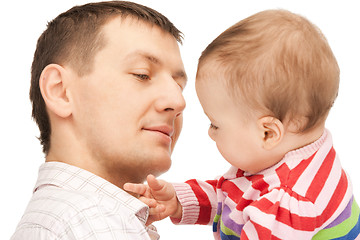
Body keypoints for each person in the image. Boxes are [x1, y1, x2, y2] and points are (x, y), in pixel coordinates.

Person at [124, 9, 360, 239]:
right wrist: (178, 201)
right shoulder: (294, 154)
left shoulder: (284, 209)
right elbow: (237, 197)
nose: (210, 133)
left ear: (268, 133)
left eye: (215, 124)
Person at [11, 1, 187, 239]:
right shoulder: (93, 221)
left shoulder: (58, 219)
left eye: (179, 86)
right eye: (142, 75)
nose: (178, 102)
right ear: (60, 90)